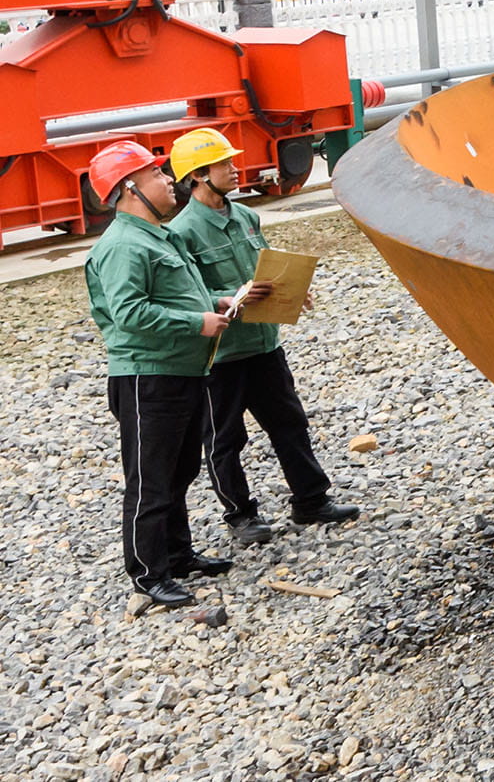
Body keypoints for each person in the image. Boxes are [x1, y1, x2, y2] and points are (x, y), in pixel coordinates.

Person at [84, 140, 266, 608]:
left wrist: (217, 302)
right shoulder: (123, 245)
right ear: (130, 188)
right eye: (156, 174)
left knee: (180, 470)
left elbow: (177, 296)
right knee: (151, 479)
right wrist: (195, 323)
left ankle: (179, 556)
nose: (169, 181)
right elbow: (129, 313)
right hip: (148, 378)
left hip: (182, 372)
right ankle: (148, 573)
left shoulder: (157, 237)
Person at [166, 128, 359, 546]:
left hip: (264, 344)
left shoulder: (245, 217)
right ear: (197, 175)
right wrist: (228, 298)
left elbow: (267, 268)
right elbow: (185, 295)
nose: (235, 169)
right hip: (222, 356)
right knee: (224, 439)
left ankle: (311, 500)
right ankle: (240, 516)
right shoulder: (181, 233)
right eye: (224, 164)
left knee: (290, 424)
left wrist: (292, 290)